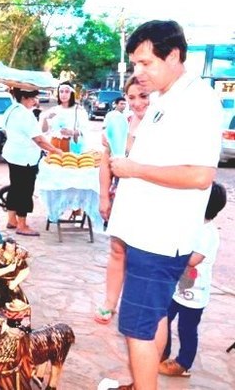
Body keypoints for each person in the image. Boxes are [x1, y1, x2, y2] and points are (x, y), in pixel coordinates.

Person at [106, 20, 223, 390]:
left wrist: (133, 169)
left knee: (138, 328)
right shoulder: (166, 98)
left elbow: (199, 175)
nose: (137, 72)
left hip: (159, 239)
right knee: (153, 318)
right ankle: (142, 382)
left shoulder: (198, 101)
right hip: (144, 234)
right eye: (135, 64)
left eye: (145, 63)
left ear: (173, 55)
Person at [94, 76, 150, 324]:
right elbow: (106, 163)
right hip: (123, 196)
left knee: (142, 256)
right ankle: (110, 301)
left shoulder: (160, 125)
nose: (137, 103)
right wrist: (104, 196)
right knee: (117, 250)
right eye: (131, 97)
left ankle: (137, 305)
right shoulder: (120, 125)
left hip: (151, 199)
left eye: (143, 96)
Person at [159, 181, 226, 377]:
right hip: (177, 288)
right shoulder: (194, 225)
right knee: (164, 318)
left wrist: (174, 252)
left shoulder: (208, 233)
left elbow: (194, 260)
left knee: (187, 328)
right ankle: (162, 351)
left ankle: (183, 363)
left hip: (195, 294)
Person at [2, 88, 63, 236]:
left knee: (15, 187)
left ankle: (12, 219)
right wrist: (56, 151)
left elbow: (4, 130)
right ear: (24, 97)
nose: (35, 101)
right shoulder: (25, 115)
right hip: (25, 158)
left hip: (13, 154)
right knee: (24, 190)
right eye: (33, 98)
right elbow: (39, 140)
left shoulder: (11, 109)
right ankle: (22, 225)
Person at [40, 81, 89, 152]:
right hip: (55, 147)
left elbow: (85, 129)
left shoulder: (79, 110)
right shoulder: (54, 110)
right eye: (61, 91)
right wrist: (45, 118)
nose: (63, 94)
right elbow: (44, 131)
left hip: (73, 148)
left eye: (67, 92)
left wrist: (73, 132)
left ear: (72, 93)